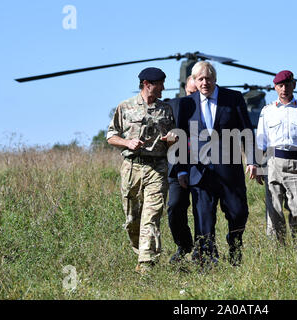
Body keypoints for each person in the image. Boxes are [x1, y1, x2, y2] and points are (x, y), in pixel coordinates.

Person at [174, 61, 257, 266]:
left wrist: (253, 160)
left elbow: (247, 131)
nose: (204, 83)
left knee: (238, 213)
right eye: (200, 79)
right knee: (203, 219)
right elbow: (181, 138)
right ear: (193, 80)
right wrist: (182, 170)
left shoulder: (233, 98)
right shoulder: (187, 104)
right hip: (199, 171)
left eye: (208, 78)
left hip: (229, 169)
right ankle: (207, 261)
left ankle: (235, 243)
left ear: (215, 79)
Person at [106, 67, 176, 273]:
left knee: (151, 217)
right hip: (132, 168)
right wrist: (127, 143)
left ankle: (147, 265)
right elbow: (111, 136)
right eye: (160, 83)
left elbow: (173, 137)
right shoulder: (125, 107)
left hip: (157, 168)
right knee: (132, 221)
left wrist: (172, 139)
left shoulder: (166, 109)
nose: (163, 87)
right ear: (147, 84)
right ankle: (141, 255)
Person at [256, 70, 297, 244]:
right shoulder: (267, 111)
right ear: (275, 87)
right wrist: (260, 167)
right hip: (273, 163)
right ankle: (278, 248)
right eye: (280, 85)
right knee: (273, 210)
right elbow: (261, 141)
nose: (284, 89)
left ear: (294, 85)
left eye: (287, 85)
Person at [167, 76, 200, 263]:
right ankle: (184, 244)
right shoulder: (173, 106)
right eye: (190, 92)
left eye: (196, 93)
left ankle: (201, 247)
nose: (192, 97)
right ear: (184, 90)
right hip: (176, 166)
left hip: (201, 166)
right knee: (175, 207)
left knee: (201, 209)